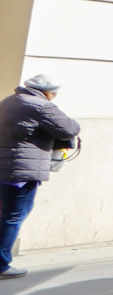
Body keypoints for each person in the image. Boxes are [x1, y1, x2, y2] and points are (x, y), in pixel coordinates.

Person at [2, 73, 80, 279]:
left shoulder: (9, 101)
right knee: (14, 216)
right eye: (54, 94)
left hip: (4, 168)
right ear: (48, 93)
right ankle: (1, 264)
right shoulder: (41, 106)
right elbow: (69, 129)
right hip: (19, 171)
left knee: (6, 215)